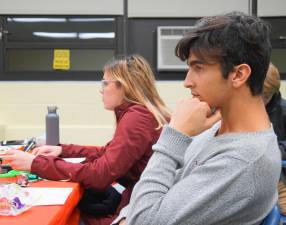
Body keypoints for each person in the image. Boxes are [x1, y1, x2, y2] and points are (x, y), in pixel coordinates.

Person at [112, 12, 281, 225]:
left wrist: (174, 135)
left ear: (238, 75)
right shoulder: (218, 128)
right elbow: (159, 189)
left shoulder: (243, 161)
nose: (187, 82)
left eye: (198, 68)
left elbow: (144, 220)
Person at [1, 54, 171, 225]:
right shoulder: (142, 113)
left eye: (105, 83)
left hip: (136, 210)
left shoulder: (137, 118)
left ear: (125, 86)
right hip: (137, 202)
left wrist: (35, 164)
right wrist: (63, 150)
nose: (101, 89)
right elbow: (108, 152)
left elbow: (100, 175)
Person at [263, 62, 286, 215]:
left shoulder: (283, 111)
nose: (260, 101)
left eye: (265, 96)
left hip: (279, 175)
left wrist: (274, 150)